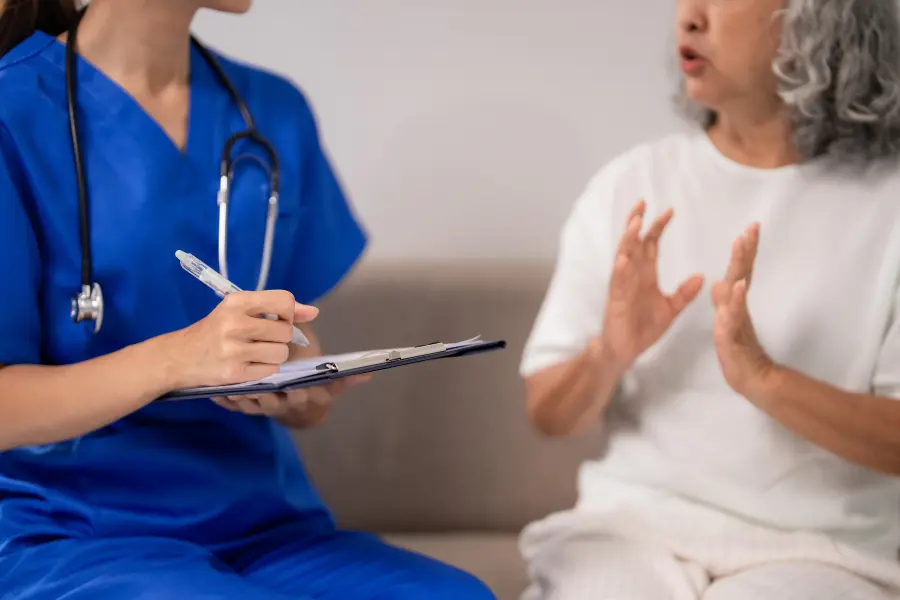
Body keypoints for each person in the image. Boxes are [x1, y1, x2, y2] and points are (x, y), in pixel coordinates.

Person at [0, 1, 495, 599]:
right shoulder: (13, 109)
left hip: (264, 527)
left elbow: (302, 365)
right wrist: (181, 358)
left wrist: (298, 390)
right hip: (73, 530)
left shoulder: (271, 111)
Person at [519, 0, 900, 599]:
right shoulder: (630, 185)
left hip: (823, 552)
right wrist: (609, 354)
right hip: (628, 532)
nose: (688, 17)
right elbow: (548, 412)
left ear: (822, 20)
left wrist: (763, 378)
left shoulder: (889, 203)